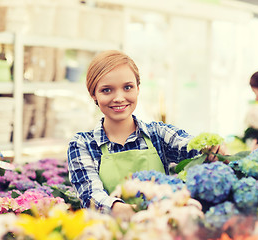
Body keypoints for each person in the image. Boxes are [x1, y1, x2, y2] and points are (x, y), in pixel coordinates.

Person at [67, 50, 225, 219]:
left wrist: (211, 149)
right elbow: (92, 197)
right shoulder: (83, 144)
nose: (119, 98)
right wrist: (147, 210)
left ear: (138, 89)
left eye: (127, 87)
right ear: (93, 95)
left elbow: (191, 146)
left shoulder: (158, 134)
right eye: (107, 90)